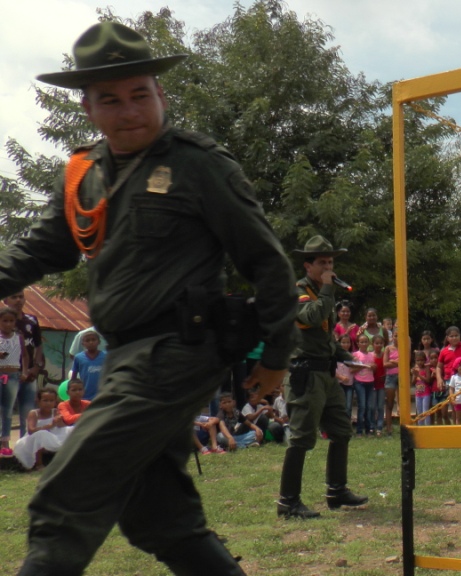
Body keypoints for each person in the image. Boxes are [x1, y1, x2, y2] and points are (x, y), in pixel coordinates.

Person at [5, 22, 296, 574]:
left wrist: (277, 360)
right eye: (110, 99)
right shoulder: (85, 174)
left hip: (178, 352)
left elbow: (268, 264)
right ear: (89, 108)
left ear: (161, 95)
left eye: (140, 94)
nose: (129, 110)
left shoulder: (199, 164)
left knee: (67, 496)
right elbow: (40, 250)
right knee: (159, 517)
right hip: (123, 358)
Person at [279, 235, 368, 519]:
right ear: (308, 266)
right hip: (305, 375)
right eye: (322, 262)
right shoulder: (300, 293)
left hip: (326, 374)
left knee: (342, 430)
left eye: (331, 262)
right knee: (302, 438)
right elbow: (314, 317)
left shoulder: (322, 293)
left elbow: (324, 338)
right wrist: (329, 287)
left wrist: (346, 359)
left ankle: (336, 490)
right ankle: (288, 502)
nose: (329, 267)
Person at [3, 292, 46, 441]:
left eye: (21, 296)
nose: (18, 300)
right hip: (7, 375)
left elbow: (38, 345)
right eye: (14, 296)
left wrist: (36, 367)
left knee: (28, 413)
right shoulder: (2, 320)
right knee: (6, 412)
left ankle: (25, 448)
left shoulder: (32, 320)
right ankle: (5, 449)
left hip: (29, 375)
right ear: (5, 299)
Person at [14, 387, 68, 470]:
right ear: (38, 401)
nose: (48, 403)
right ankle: (39, 464)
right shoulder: (34, 413)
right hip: (34, 439)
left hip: (52, 436)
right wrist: (49, 426)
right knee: (41, 434)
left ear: (55, 402)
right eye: (45, 400)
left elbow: (61, 426)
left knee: (71, 429)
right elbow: (31, 430)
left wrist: (59, 420)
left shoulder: (55, 411)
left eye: (51, 401)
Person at [0, 306, 29, 457]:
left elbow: (24, 355)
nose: (8, 324)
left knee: (8, 410)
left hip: (12, 375)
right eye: (5, 321)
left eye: (11, 321)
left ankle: (5, 442)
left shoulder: (18, 336)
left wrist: (24, 371)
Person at [351, 334, 377, 436]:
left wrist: (373, 367)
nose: (364, 343)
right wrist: (361, 366)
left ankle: (368, 429)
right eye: (361, 342)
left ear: (368, 343)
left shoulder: (371, 355)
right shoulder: (355, 355)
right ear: (358, 343)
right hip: (359, 382)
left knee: (369, 406)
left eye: (365, 341)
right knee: (362, 406)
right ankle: (359, 430)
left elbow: (374, 369)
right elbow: (351, 369)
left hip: (370, 382)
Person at [70, 329, 106, 401]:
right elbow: (74, 377)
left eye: (93, 339)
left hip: (102, 395)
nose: (91, 342)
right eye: (87, 340)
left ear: (99, 342)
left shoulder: (106, 356)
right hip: (85, 396)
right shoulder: (78, 357)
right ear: (83, 343)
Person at [383, 331, 401, 436]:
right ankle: (389, 429)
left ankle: (403, 427)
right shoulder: (388, 348)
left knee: (402, 403)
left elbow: (406, 361)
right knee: (389, 403)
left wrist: (392, 362)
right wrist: (397, 362)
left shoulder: (404, 347)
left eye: (399, 336)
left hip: (402, 376)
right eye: (395, 335)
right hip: (390, 377)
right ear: (392, 337)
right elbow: (385, 364)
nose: (397, 338)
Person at [412, 351, 434, 425]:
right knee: (419, 412)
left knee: (425, 412)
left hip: (426, 393)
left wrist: (419, 375)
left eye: (421, 360)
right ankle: (420, 427)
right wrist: (415, 375)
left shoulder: (426, 368)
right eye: (418, 360)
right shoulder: (416, 369)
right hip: (418, 394)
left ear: (425, 360)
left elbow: (428, 380)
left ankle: (427, 427)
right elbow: (412, 383)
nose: (420, 362)